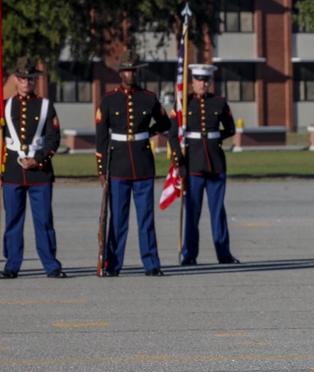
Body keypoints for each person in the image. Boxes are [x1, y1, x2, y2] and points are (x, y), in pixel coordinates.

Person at [95, 49, 171, 277]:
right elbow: (101, 138)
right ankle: (112, 264)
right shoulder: (109, 100)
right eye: (127, 71)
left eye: (134, 71)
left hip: (142, 164)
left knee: (146, 217)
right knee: (118, 219)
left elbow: (165, 123)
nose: (131, 74)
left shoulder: (148, 98)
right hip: (118, 166)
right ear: (121, 73)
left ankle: (151, 263)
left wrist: (147, 133)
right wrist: (102, 170)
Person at [0, 58, 66, 279]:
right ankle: (12, 265)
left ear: (35, 81)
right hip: (12, 170)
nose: (26, 82)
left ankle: (51, 265)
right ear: (15, 79)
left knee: (44, 220)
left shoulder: (45, 106)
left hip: (40, 171)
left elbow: (53, 139)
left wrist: (38, 160)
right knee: (13, 220)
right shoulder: (4, 106)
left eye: (30, 79)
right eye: (22, 78)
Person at [168, 64, 239, 266]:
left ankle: (224, 253)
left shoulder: (219, 102)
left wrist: (214, 139)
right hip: (192, 164)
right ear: (192, 82)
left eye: (206, 80)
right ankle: (189, 254)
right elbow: (173, 135)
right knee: (192, 212)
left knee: (218, 211)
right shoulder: (183, 103)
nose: (203, 83)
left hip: (215, 164)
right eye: (199, 80)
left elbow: (230, 129)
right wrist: (178, 162)